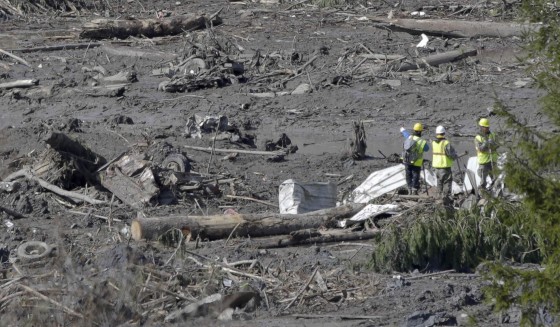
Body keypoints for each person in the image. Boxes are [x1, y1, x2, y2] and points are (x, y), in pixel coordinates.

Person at [400, 123, 429, 195]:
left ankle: (409, 188)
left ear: (414, 130)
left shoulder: (410, 137)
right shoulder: (422, 141)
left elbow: (405, 134)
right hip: (417, 162)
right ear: (420, 131)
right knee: (416, 175)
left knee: (408, 174)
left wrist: (403, 130)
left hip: (407, 160)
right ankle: (414, 189)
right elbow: (427, 149)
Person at [432, 125, 458, 203]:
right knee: (447, 182)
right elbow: (452, 155)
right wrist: (455, 156)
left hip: (436, 168)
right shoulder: (446, 143)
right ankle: (446, 199)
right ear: (444, 133)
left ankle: (439, 197)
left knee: (439, 182)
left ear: (437, 133)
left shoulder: (433, 142)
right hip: (445, 167)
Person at [474, 118, 498, 191]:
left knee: (495, 179)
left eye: (488, 127)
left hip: (492, 161)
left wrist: (493, 143)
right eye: (485, 127)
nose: (487, 128)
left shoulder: (493, 135)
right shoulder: (478, 138)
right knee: (483, 181)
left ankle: (495, 192)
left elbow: (497, 146)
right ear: (481, 127)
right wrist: (486, 143)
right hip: (483, 162)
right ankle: (483, 194)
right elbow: (481, 149)